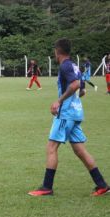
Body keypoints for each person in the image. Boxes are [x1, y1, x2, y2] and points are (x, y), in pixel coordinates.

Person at [28, 38, 109, 197]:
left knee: (51, 148)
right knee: (80, 150)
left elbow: (75, 85)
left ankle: (46, 187)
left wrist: (59, 101)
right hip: (76, 113)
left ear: (57, 51)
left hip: (66, 114)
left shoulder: (65, 66)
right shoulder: (74, 66)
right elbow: (83, 91)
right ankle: (102, 185)